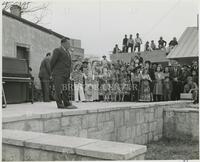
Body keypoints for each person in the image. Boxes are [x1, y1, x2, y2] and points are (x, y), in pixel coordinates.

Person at [50, 37, 76, 109]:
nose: (69, 45)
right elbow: (52, 62)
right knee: (58, 89)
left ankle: (66, 103)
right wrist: (51, 73)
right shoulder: (57, 50)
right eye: (68, 43)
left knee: (65, 89)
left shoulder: (67, 52)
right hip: (58, 73)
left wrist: (70, 72)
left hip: (66, 74)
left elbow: (69, 63)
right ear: (63, 43)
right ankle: (59, 104)